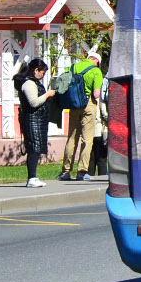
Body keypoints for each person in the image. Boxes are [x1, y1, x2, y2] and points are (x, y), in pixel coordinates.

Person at [58, 49, 105, 181]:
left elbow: (63, 83)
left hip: (73, 104)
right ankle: (82, 171)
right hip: (88, 104)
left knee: (72, 138)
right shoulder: (96, 71)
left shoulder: (72, 67)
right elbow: (96, 94)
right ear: (96, 61)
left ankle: (66, 171)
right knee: (87, 139)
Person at [15, 57, 55, 187]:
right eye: (42, 73)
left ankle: (33, 177)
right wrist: (47, 95)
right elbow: (33, 102)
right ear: (36, 70)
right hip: (32, 119)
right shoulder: (29, 83)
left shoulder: (34, 82)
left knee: (36, 148)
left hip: (37, 119)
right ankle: (31, 177)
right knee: (34, 148)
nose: (43, 76)